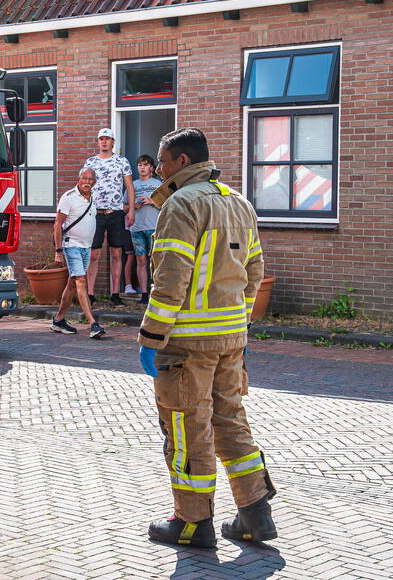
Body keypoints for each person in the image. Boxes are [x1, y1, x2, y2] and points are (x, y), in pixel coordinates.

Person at [137, 128, 276, 548]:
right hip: (230, 339)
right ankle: (255, 515)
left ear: (181, 161)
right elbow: (253, 273)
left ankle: (193, 523)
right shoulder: (239, 203)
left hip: (186, 343)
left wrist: (151, 336)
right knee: (230, 420)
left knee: (187, 427)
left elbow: (171, 278)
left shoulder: (181, 204)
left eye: (162, 161)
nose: (158, 170)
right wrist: (240, 328)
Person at [50, 167, 105, 339]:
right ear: (79, 179)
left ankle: (58, 320)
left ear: (94, 182)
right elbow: (57, 225)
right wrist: (58, 250)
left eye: (91, 179)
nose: (87, 182)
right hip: (71, 245)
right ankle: (93, 324)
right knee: (81, 281)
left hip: (86, 247)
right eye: (84, 178)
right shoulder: (68, 198)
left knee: (72, 283)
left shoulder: (93, 198)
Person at [83, 127, 135, 306]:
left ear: (113, 142)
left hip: (116, 213)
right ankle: (90, 294)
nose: (104, 142)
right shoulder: (90, 162)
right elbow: (83, 186)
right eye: (101, 139)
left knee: (116, 253)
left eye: (107, 139)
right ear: (97, 142)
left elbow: (129, 187)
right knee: (93, 255)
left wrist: (132, 211)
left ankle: (115, 293)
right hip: (95, 214)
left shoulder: (122, 161)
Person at [129, 154, 162, 305]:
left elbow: (166, 204)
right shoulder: (133, 185)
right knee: (140, 260)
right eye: (140, 165)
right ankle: (143, 293)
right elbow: (123, 207)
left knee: (156, 261)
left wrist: (151, 201)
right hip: (136, 228)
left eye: (145, 165)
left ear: (151, 168)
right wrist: (132, 206)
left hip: (154, 227)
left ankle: (156, 293)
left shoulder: (158, 184)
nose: (142, 167)